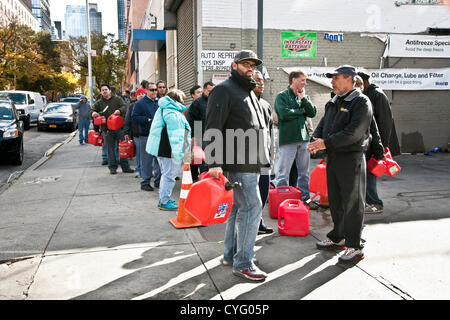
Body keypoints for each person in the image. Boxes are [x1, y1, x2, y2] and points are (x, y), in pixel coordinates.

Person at [205, 50, 271, 281]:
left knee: (238, 209)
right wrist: (214, 162)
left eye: (253, 64)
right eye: (245, 63)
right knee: (252, 208)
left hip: (251, 161)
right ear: (234, 65)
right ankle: (244, 263)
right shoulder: (224, 90)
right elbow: (212, 126)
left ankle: (231, 256)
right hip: (238, 162)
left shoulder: (247, 91)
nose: (250, 67)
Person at [308, 65, 373, 264]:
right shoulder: (334, 101)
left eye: (336, 78)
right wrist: (316, 138)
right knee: (335, 200)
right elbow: (323, 124)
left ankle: (354, 246)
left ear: (349, 79)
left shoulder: (361, 102)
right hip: (334, 157)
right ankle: (339, 236)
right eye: (332, 78)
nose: (332, 82)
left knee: (352, 203)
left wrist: (325, 143)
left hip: (351, 158)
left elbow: (354, 133)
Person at [274, 69, 318, 209]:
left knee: (304, 172)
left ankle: (305, 198)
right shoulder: (282, 96)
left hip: (303, 138)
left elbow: (312, 112)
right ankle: (281, 200)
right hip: (288, 140)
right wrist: (301, 112)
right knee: (283, 173)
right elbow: (283, 114)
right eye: (302, 80)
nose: (304, 83)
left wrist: (304, 99)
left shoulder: (304, 97)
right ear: (293, 80)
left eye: (305, 80)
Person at [146, 89, 191, 210]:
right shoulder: (173, 114)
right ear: (178, 100)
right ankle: (164, 201)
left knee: (166, 174)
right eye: (182, 100)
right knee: (169, 175)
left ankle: (164, 198)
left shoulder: (163, 109)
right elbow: (177, 137)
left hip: (162, 148)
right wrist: (182, 156)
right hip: (167, 150)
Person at [358, 70, 394, 214]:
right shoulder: (368, 95)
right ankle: (368, 201)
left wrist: (381, 147)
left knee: (371, 173)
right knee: (366, 174)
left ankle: (375, 203)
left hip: (374, 145)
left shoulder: (377, 95)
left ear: (365, 82)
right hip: (368, 143)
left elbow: (384, 123)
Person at [90, 84, 134, 175]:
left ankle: (125, 167)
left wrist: (120, 111)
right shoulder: (99, 103)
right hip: (107, 130)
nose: (104, 91)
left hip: (119, 128)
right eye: (102, 90)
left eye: (106, 89)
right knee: (110, 150)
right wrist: (93, 113)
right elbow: (91, 110)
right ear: (101, 92)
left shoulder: (117, 99)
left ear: (110, 91)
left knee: (123, 148)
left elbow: (125, 107)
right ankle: (112, 168)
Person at [253, 70, 274, 235]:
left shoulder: (266, 105)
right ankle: (250, 224)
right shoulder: (242, 103)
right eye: (257, 80)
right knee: (249, 194)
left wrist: (270, 154)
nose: (262, 83)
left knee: (263, 189)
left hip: (264, 155)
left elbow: (270, 131)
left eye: (263, 81)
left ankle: (259, 221)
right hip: (246, 158)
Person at [132, 83, 162, 191]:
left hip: (158, 135)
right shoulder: (140, 103)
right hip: (146, 135)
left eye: (155, 89)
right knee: (146, 161)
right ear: (146, 91)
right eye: (151, 90)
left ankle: (158, 181)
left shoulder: (160, 102)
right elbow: (134, 117)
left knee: (159, 159)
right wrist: (146, 120)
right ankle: (145, 182)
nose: (154, 91)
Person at [186, 81, 215, 182]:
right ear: (205, 90)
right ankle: (198, 179)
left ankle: (205, 179)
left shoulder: (214, 101)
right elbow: (190, 120)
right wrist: (193, 136)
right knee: (199, 159)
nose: (211, 93)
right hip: (199, 134)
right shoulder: (197, 103)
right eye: (209, 90)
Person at [124, 88, 146, 178]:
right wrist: (126, 132)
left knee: (149, 154)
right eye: (139, 94)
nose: (141, 95)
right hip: (137, 133)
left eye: (142, 93)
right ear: (136, 96)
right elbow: (127, 120)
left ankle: (150, 170)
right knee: (139, 154)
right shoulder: (132, 106)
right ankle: (139, 170)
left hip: (149, 133)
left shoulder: (149, 104)